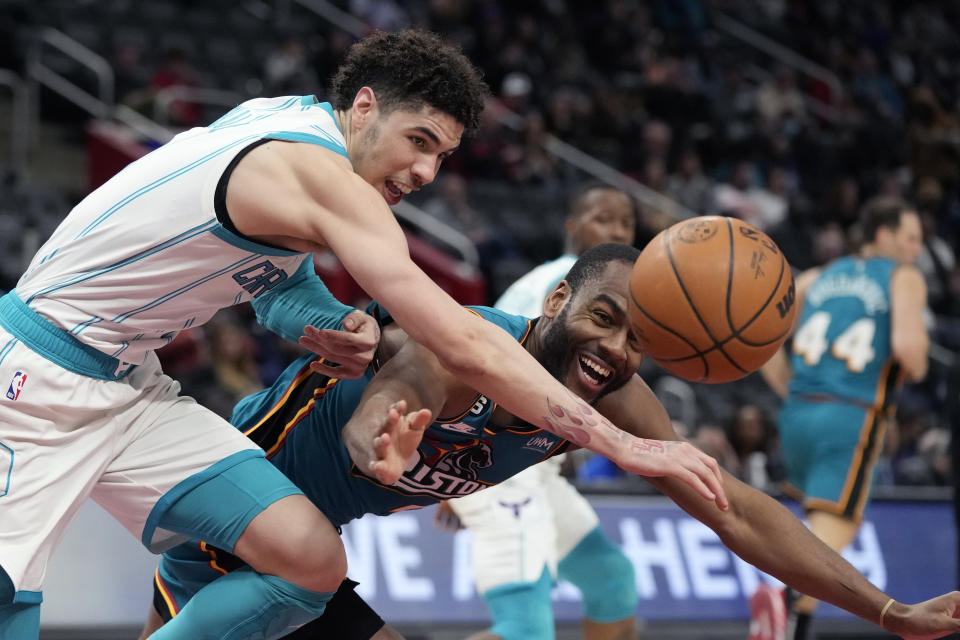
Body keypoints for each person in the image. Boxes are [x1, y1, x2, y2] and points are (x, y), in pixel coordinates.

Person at [0, 30, 715, 640]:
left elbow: (272, 280)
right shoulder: (324, 176)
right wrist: (614, 439)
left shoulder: (281, 120)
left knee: (311, 558)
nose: (426, 171)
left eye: (442, 155)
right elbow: (458, 339)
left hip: (132, 388)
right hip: (37, 375)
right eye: (419, 142)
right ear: (365, 107)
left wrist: (324, 320)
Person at [144, 243, 960, 640]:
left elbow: (736, 511)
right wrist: (376, 446)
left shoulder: (613, 398)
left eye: (637, 340)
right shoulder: (466, 342)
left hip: (299, 553)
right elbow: (393, 402)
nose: (615, 350)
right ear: (559, 298)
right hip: (229, 515)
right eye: (604, 318)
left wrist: (885, 610)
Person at [438, 181, 640, 640]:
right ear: (572, 226)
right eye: (603, 218)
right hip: (498, 463)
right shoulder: (568, 285)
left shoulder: (570, 286)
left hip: (529, 465)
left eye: (626, 221)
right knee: (524, 631)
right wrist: (457, 470)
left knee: (612, 581)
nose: (617, 229)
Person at [759, 196, 930, 640]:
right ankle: (781, 592)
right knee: (837, 529)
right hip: (850, 415)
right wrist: (920, 365)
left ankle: (789, 622)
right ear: (883, 234)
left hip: (796, 415)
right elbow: (910, 354)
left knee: (817, 525)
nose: (918, 249)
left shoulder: (816, 277)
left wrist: (796, 390)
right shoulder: (904, 276)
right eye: (911, 238)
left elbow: (765, 347)